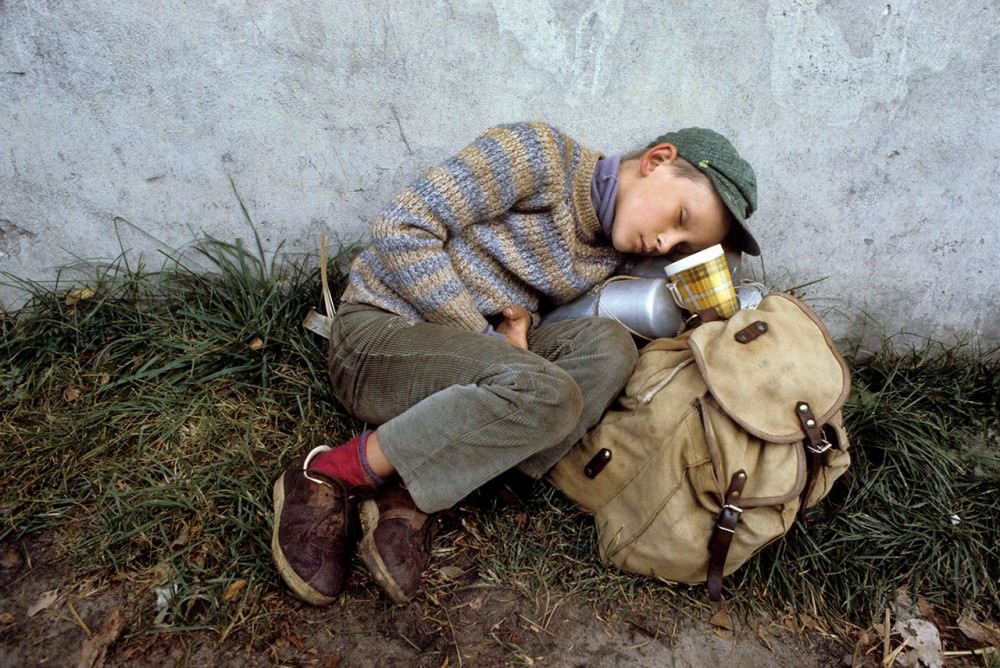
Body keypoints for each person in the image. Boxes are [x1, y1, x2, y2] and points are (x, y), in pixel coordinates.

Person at [271, 121, 759, 605]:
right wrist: (488, 341)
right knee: (547, 392)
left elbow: (524, 308)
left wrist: (519, 328)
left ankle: (410, 494)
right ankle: (330, 472)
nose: (664, 244)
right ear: (657, 160)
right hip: (381, 334)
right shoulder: (536, 154)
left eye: (681, 246)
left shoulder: (611, 252)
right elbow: (402, 228)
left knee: (610, 349)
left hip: (472, 360)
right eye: (678, 217)